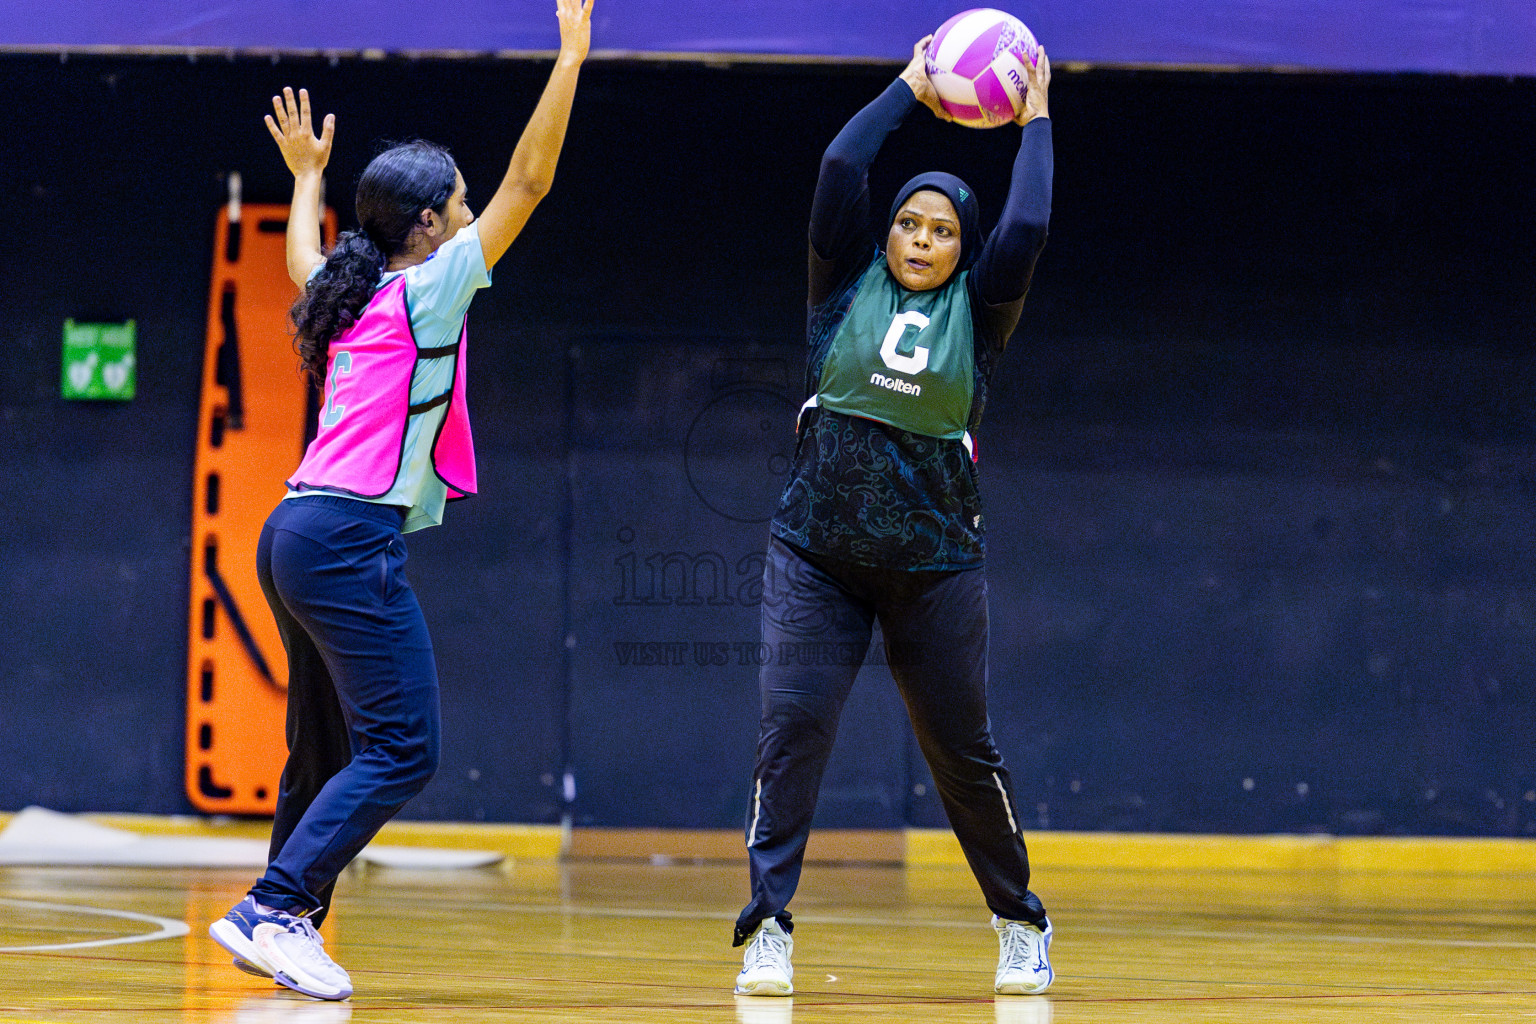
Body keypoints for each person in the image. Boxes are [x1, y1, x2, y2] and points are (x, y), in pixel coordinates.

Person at [207, 0, 593, 1001]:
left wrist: (304, 181)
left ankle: (289, 920)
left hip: (294, 534)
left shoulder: (354, 296)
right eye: (459, 205)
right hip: (344, 539)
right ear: (429, 226)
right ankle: (274, 906)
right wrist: (573, 53)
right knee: (406, 744)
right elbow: (534, 180)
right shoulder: (428, 290)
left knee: (325, 747)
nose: (472, 215)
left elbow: (303, 257)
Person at [732, 36, 1055, 998]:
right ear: (885, 239)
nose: (920, 239)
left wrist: (1035, 121)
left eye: (941, 230)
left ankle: (1020, 920)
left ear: (963, 248)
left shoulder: (982, 314)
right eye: (908, 225)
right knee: (790, 734)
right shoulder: (837, 294)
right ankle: (766, 926)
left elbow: (1029, 225)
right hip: (815, 557)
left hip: (936, 568)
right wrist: (913, 86)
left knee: (962, 754)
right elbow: (841, 164)